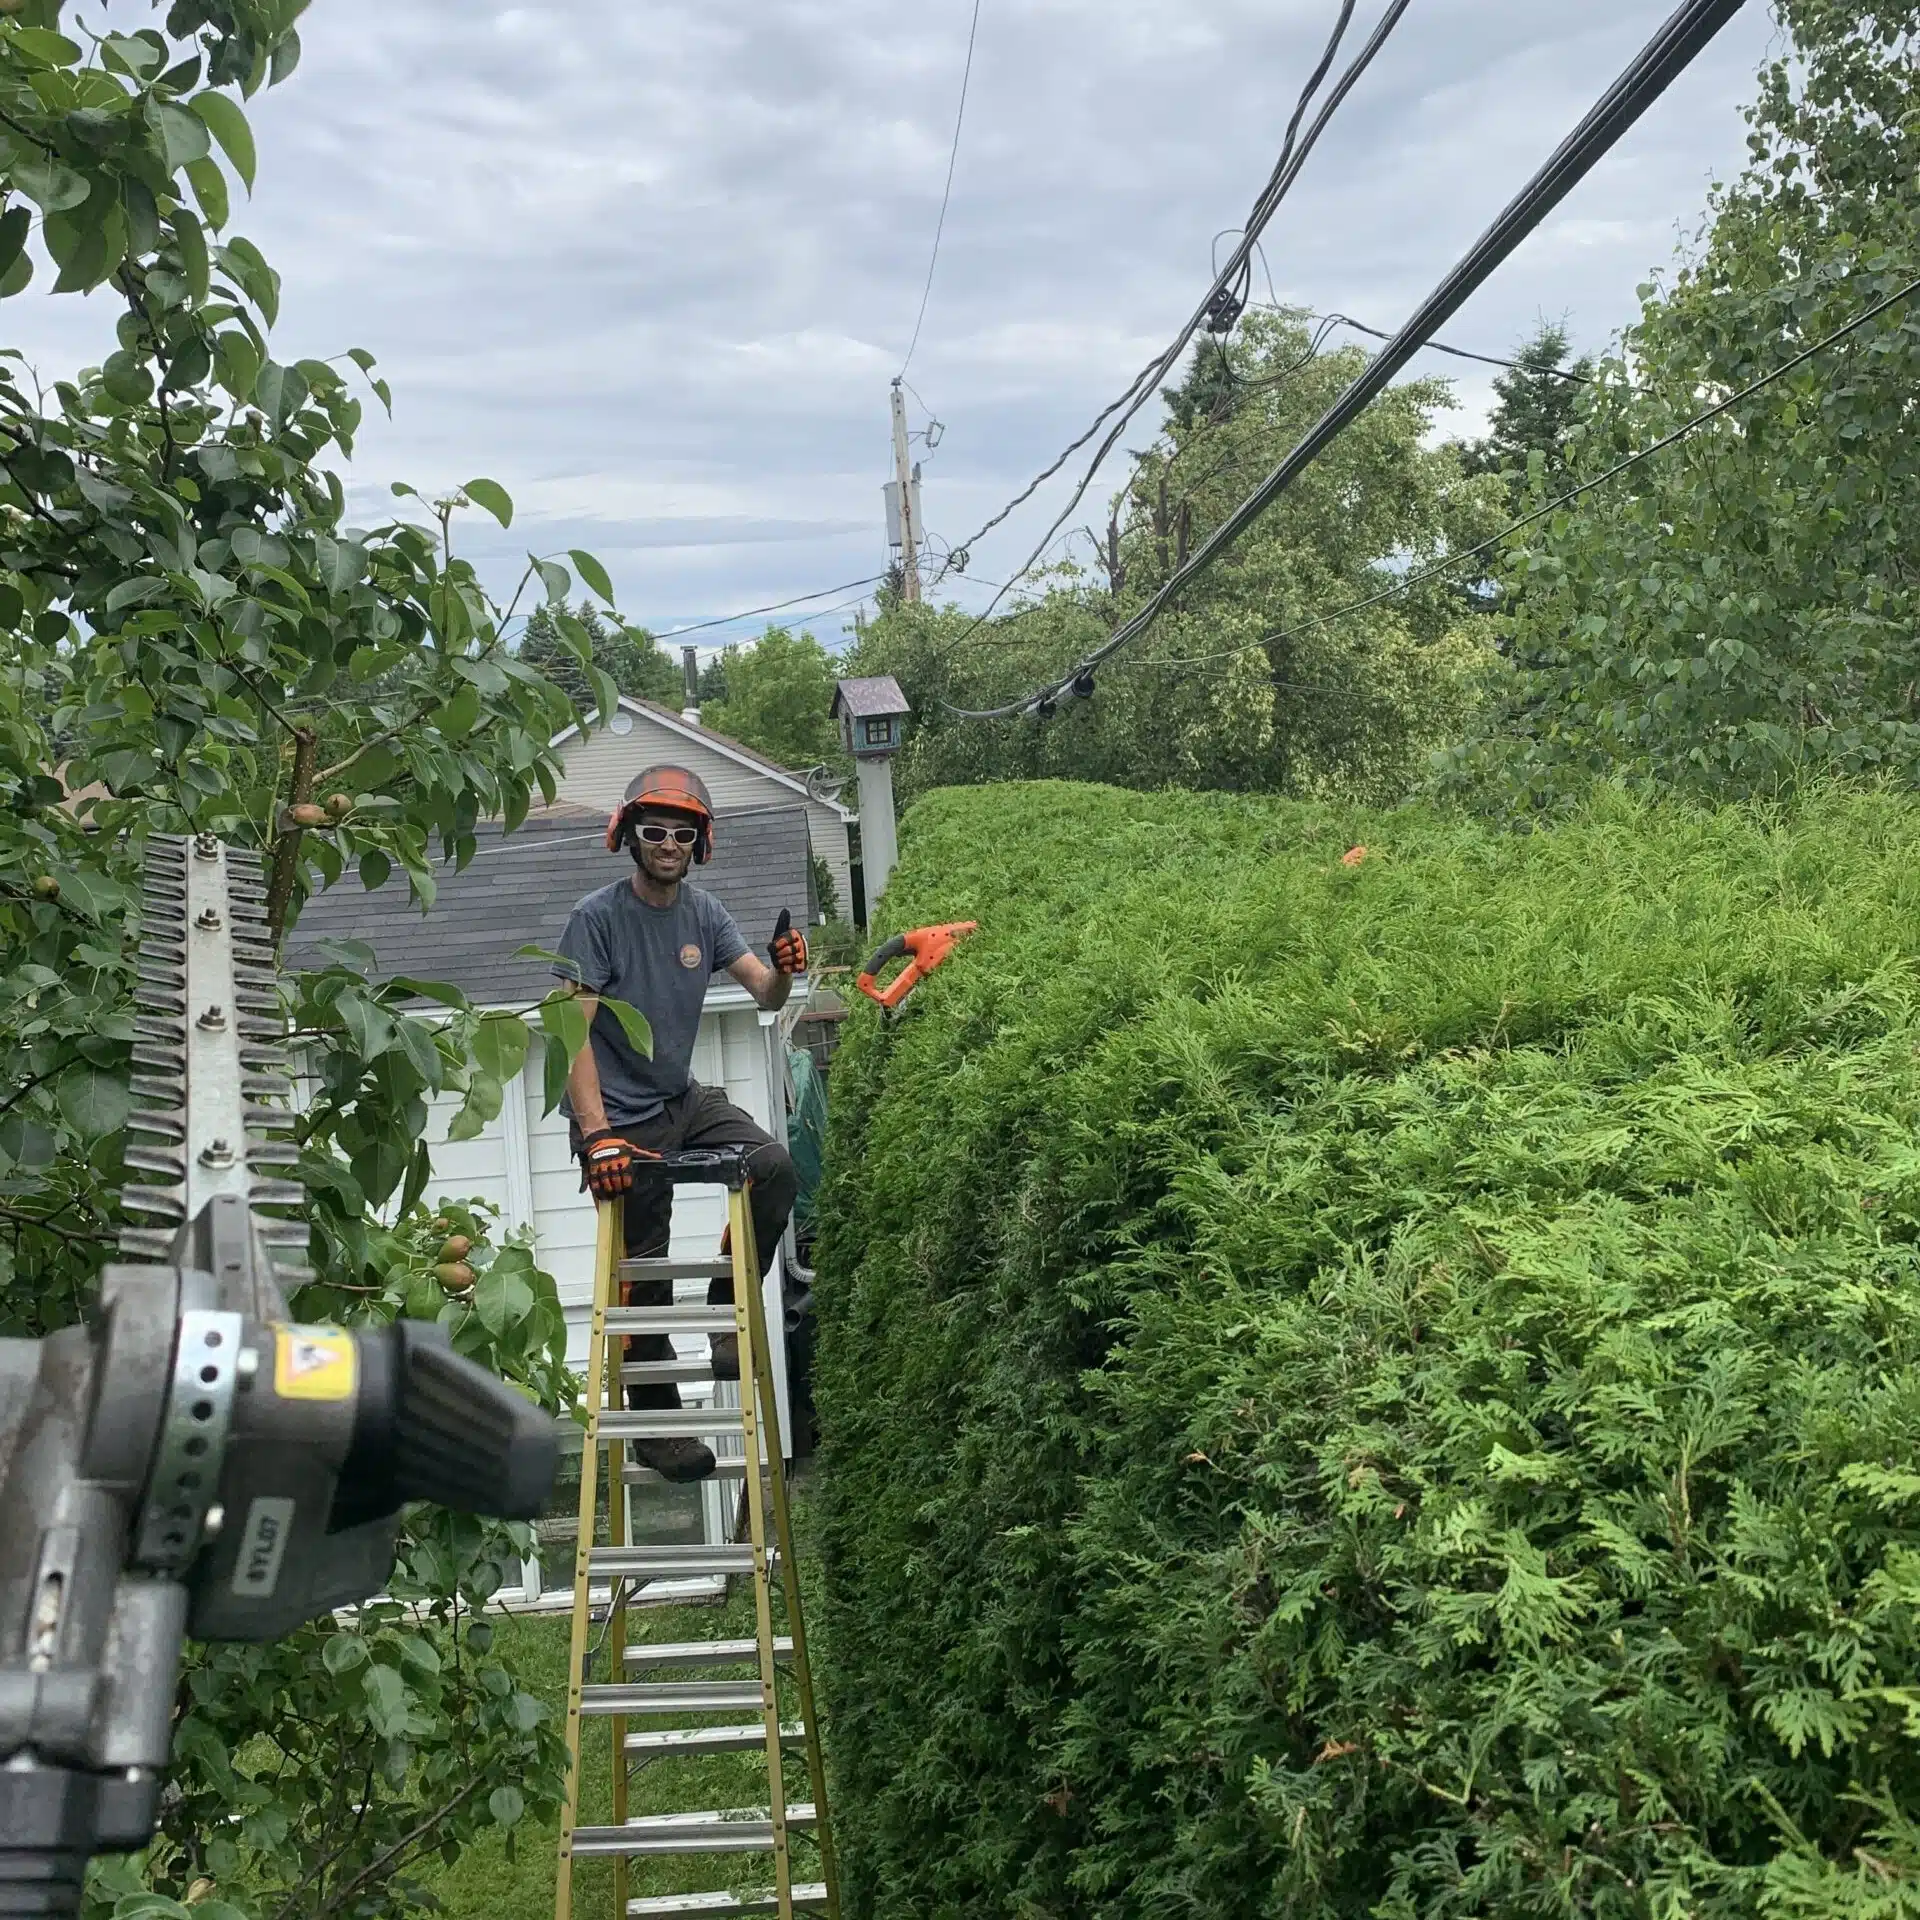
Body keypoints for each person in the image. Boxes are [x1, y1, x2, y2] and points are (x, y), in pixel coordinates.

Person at [553, 764, 809, 1482]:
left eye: (682, 832)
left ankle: (729, 1298)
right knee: (645, 1281)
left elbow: (765, 994)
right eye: (655, 830)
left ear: (700, 843)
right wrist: (598, 1133)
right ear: (628, 836)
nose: (668, 842)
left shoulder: (706, 913)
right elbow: (569, 1035)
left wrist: (787, 968)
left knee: (772, 1167)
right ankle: (659, 1435)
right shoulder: (596, 918)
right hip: (617, 1118)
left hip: (680, 1100)